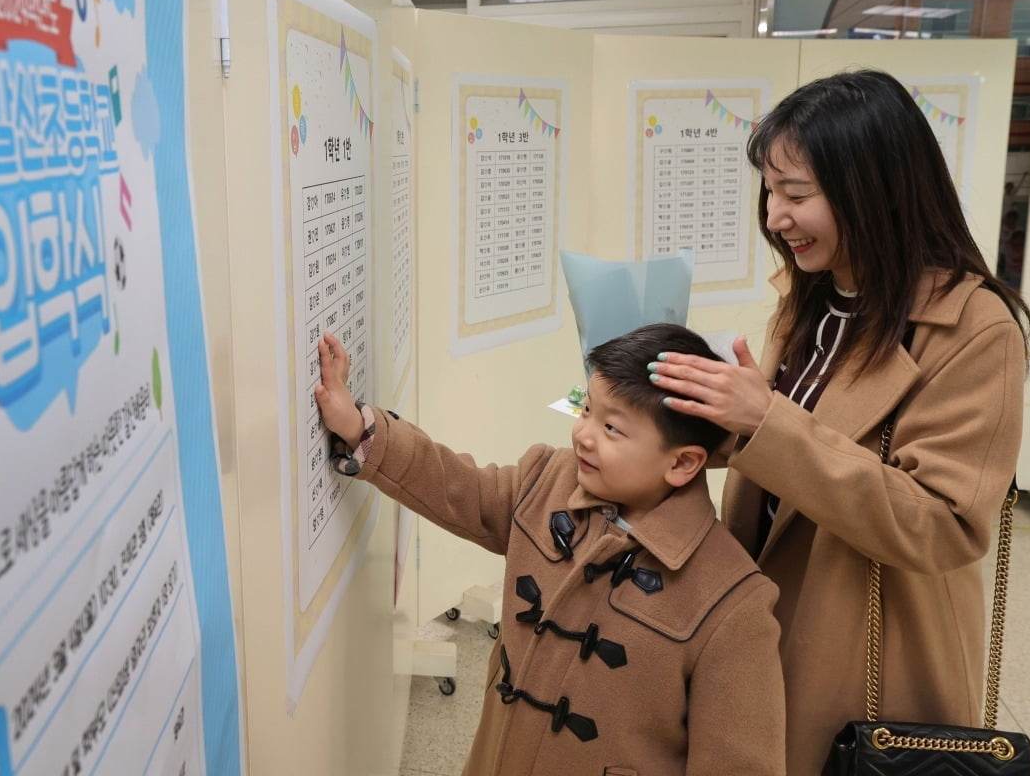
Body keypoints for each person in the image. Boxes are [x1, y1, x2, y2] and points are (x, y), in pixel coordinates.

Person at [647, 69, 1030, 774]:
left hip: (865, 648)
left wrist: (765, 421)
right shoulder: (815, 297)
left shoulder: (975, 330)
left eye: (796, 195)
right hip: (762, 610)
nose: (774, 216)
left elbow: (944, 521)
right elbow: (793, 439)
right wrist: (684, 408)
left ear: (876, 188)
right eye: (769, 191)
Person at [314, 323, 786, 775]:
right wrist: (359, 429)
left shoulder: (734, 607)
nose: (583, 434)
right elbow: (457, 488)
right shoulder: (548, 479)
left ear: (683, 462)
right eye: (587, 411)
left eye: (613, 429)